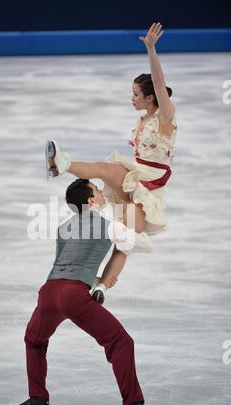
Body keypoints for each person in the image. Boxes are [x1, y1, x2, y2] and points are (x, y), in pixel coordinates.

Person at [7, 179, 161, 405]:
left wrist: (100, 281)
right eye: (98, 190)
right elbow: (146, 245)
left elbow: (69, 263)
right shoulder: (110, 226)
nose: (102, 193)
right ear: (91, 201)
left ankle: (37, 400)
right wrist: (132, 232)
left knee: (34, 340)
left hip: (48, 293)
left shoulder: (62, 228)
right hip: (73, 296)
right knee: (121, 342)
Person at [46, 22, 177, 303]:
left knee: (123, 242)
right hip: (137, 173)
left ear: (150, 97)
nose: (132, 99)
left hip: (150, 190)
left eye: (135, 94)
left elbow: (157, 81)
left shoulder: (165, 117)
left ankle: (102, 286)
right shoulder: (143, 119)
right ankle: (62, 164)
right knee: (106, 170)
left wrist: (151, 49)